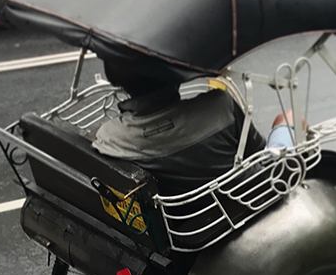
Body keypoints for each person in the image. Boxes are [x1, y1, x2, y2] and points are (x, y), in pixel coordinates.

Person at [92, 57, 294, 197]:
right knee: (288, 118)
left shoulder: (111, 138)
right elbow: (257, 155)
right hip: (252, 199)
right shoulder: (220, 107)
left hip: (184, 227)